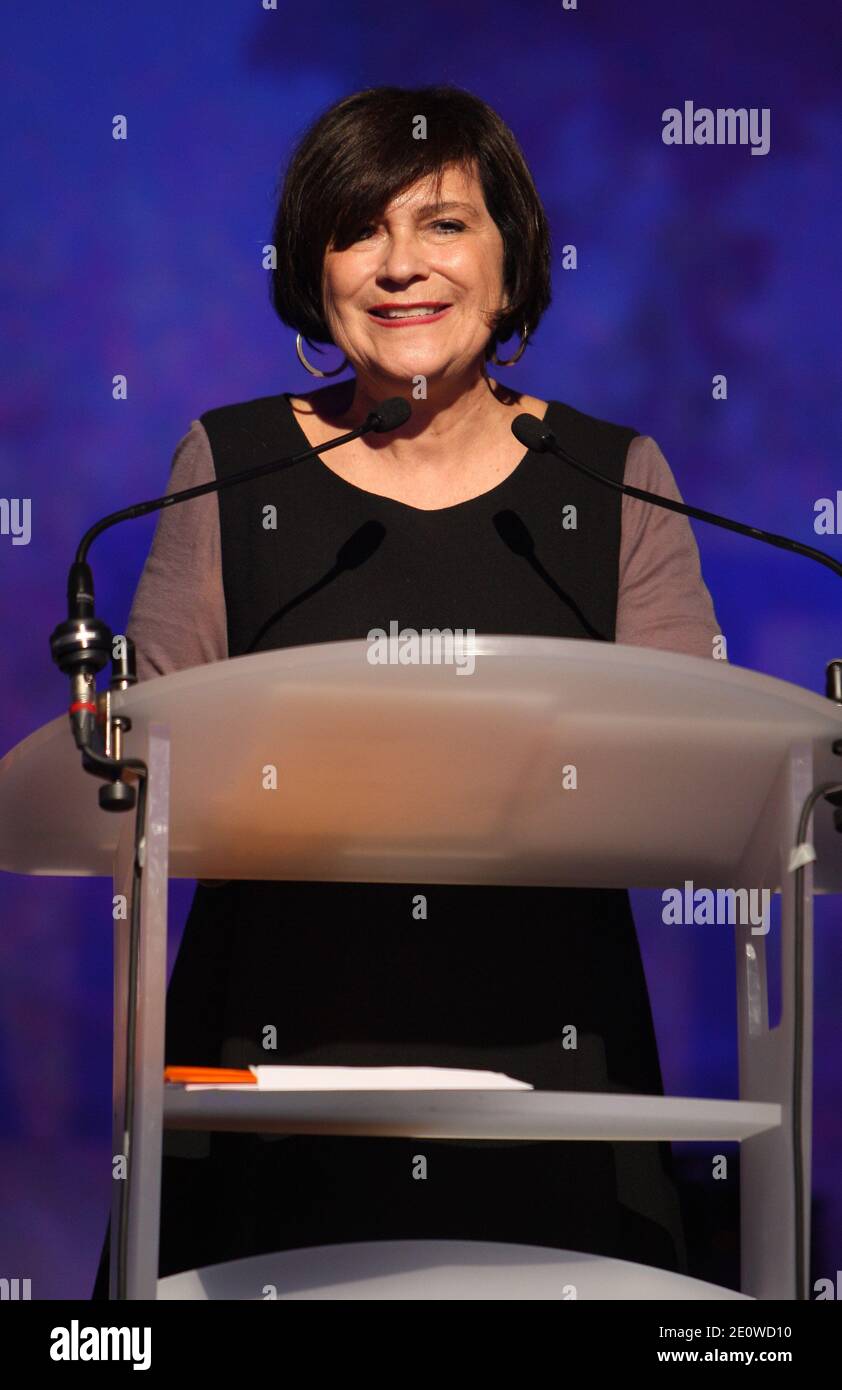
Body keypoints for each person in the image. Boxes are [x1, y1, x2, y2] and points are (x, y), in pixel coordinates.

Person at [93, 84, 722, 1297]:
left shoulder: (616, 480)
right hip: (268, 1059)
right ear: (312, 269)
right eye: (356, 230)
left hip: (555, 1070)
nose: (398, 267)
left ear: (509, 260)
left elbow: (699, 781)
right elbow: (144, 773)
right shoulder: (231, 465)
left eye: (441, 225)